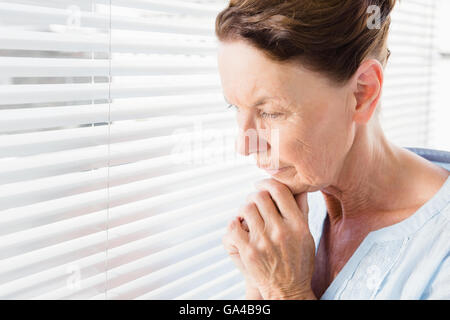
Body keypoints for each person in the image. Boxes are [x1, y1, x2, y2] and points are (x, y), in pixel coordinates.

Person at [216, 0, 450, 299]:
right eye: (234, 106)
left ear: (362, 93)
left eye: (271, 112)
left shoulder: (441, 256)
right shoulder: (293, 214)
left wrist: (286, 291)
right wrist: (258, 284)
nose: (244, 146)